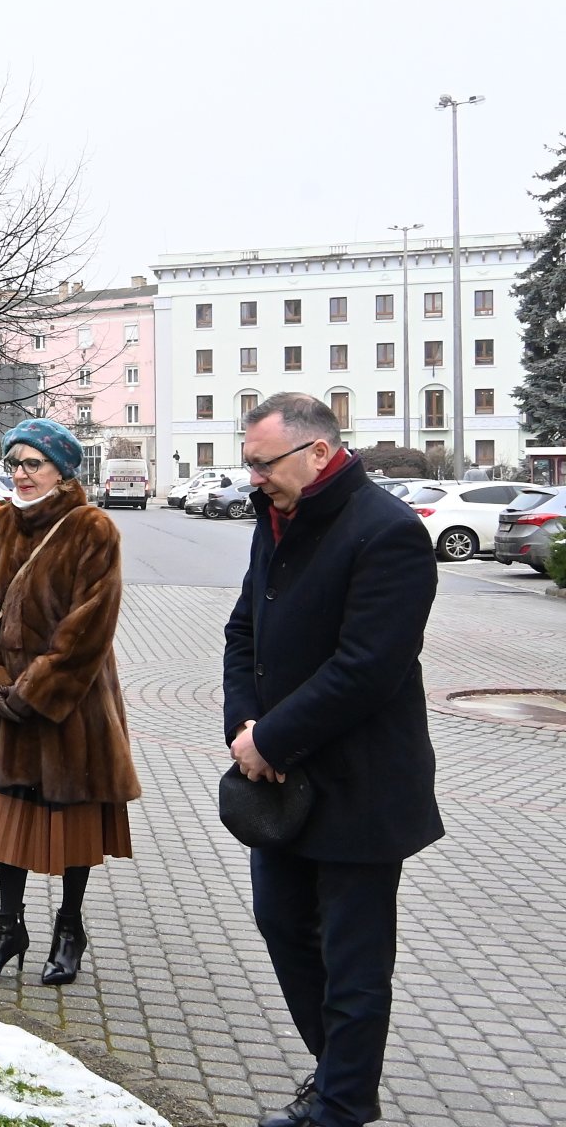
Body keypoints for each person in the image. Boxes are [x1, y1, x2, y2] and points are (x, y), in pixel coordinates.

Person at [224, 394, 441, 1127]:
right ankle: (340, 1073)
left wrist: (271, 739)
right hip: (279, 779)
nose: (252, 477)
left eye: (263, 463)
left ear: (318, 454)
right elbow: (242, 629)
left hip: (362, 787)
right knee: (281, 923)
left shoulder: (387, 532)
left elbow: (368, 668)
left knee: (354, 961)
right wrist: (243, 728)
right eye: (248, 463)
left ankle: (342, 1105)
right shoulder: (277, 518)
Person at [0, 418, 139, 988]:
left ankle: (69, 929)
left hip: (73, 702)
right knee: (9, 817)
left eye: (33, 463)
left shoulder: (93, 529)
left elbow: (90, 625)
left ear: (63, 470)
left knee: (73, 819)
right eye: (14, 462)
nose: (21, 474)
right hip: (8, 701)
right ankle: (8, 929)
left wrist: (37, 689)